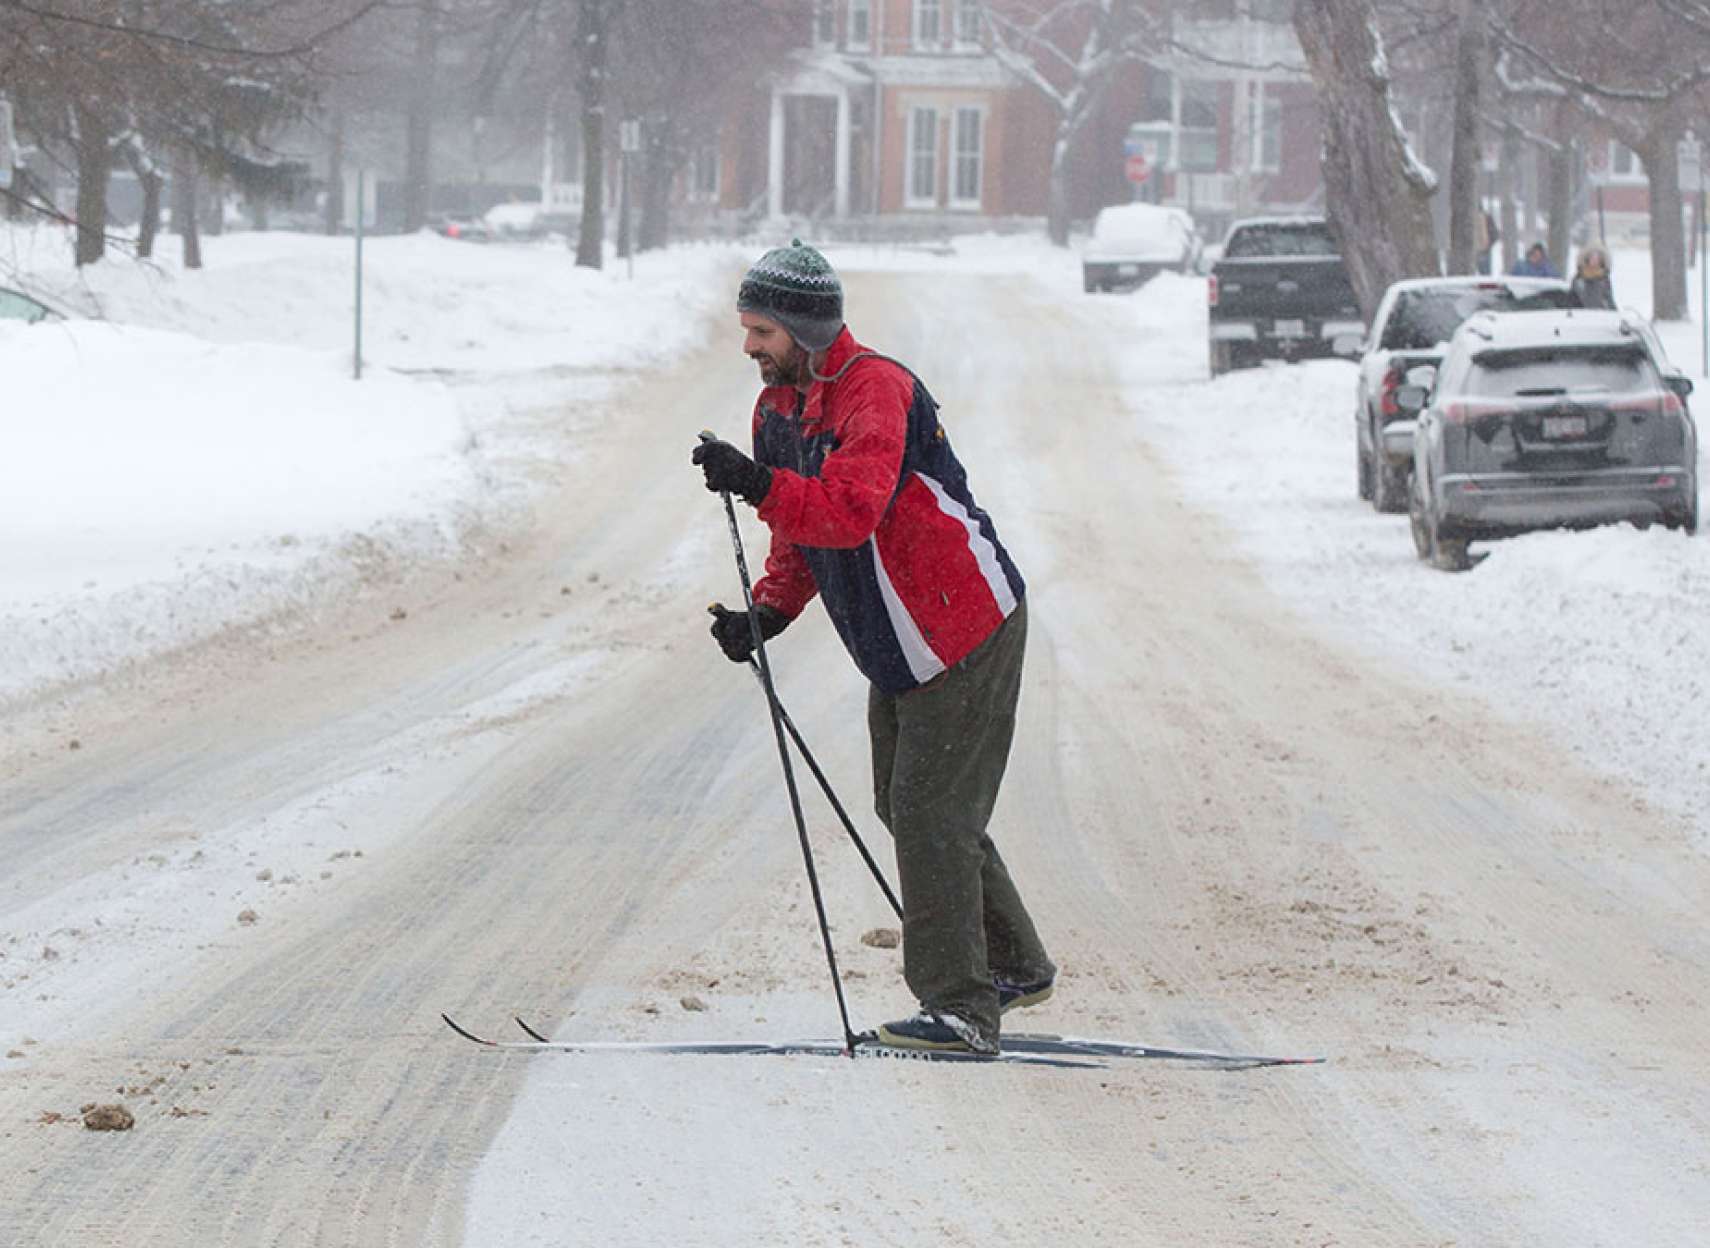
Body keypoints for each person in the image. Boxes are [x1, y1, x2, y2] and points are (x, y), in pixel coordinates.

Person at [691, 240, 1055, 1056]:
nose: (749, 345)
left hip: (960, 624)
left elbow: (849, 510)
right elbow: (799, 530)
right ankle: (1013, 964)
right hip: (897, 641)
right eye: (747, 328)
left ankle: (960, 1009)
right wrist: (767, 612)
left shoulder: (875, 391)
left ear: (805, 329)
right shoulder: (777, 411)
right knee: (908, 804)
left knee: (931, 813)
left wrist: (756, 482)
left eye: (762, 331)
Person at [1571, 244, 1616, 309]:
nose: (1594, 261)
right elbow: (1572, 297)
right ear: (1587, 259)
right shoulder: (1578, 278)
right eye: (1592, 258)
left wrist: (1614, 312)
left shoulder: (1604, 279)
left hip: (1599, 312)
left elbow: (1609, 299)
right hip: (1580, 312)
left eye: (1597, 258)